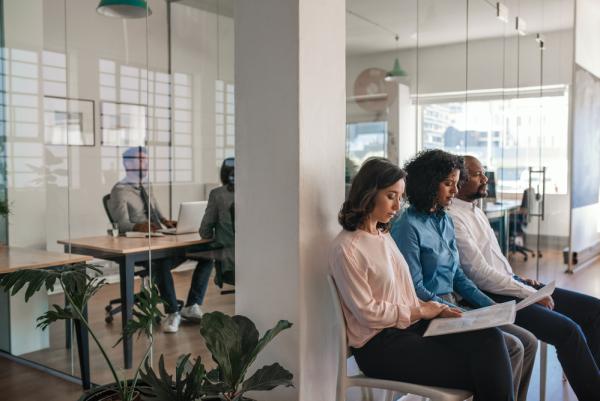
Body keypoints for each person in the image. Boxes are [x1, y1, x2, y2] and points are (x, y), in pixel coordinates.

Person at [329, 157, 515, 401]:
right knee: (485, 369)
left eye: (400, 197)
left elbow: (405, 290)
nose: (397, 206)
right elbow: (368, 313)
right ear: (369, 193)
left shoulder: (382, 234)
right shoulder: (347, 248)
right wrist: (421, 311)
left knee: (490, 338)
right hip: (380, 346)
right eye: (390, 196)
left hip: (409, 327)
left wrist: (436, 310)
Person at [448, 154, 600, 400]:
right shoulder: (453, 217)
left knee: (594, 311)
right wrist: (526, 292)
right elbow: (480, 275)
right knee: (568, 332)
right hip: (492, 296)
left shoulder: (476, 211)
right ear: (459, 181)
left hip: (510, 284)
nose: (486, 178)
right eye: (478, 174)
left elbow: (494, 262)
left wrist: (518, 279)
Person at [391, 149, 536, 401]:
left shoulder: (444, 220)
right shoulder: (407, 225)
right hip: (427, 313)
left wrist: (489, 307)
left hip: (453, 305)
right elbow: (414, 287)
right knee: (511, 347)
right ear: (428, 183)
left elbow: (458, 275)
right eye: (448, 184)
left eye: (457, 184)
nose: (456, 191)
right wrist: (462, 313)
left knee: (528, 341)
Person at [108, 146, 213, 333]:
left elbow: (158, 215)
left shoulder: (146, 185)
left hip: (159, 237)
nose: (144, 163)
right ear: (127, 163)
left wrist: (168, 222)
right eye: (140, 159)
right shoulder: (119, 190)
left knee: (207, 254)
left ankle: (192, 305)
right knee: (162, 261)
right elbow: (121, 224)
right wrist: (139, 226)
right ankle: (173, 312)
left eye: (146, 159)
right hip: (140, 244)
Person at [199, 157, 235, 288]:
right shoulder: (255, 194)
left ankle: (193, 304)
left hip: (230, 266)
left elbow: (205, 232)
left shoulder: (217, 194)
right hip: (256, 264)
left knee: (204, 256)